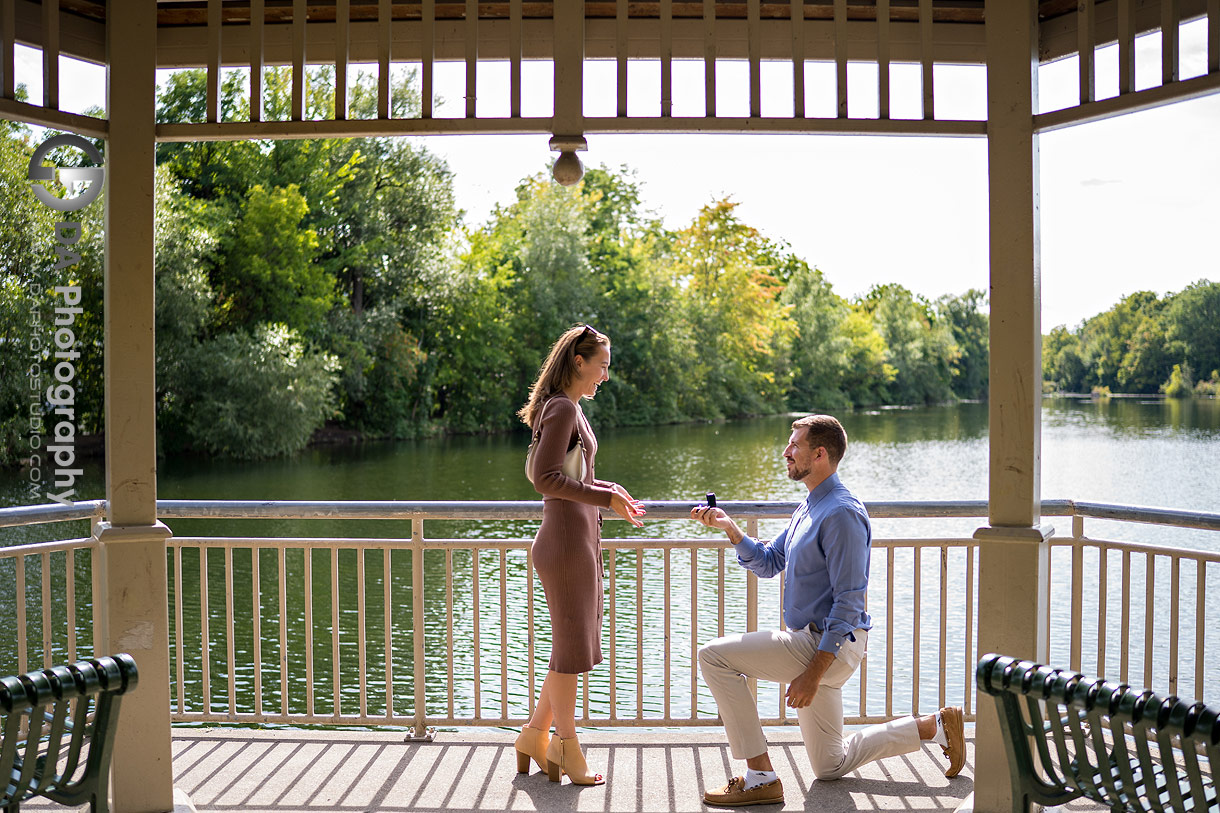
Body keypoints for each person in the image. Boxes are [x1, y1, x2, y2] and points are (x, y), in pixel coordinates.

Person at [690, 414, 965, 806]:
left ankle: (760, 776)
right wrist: (731, 530)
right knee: (829, 766)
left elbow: (850, 600)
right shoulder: (810, 505)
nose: (786, 452)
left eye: (794, 445)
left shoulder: (841, 514)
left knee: (713, 657)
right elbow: (769, 561)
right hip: (813, 641)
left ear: (819, 454)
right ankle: (934, 726)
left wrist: (813, 673)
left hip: (825, 645)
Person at [513, 324, 646, 786]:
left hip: (579, 543)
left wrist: (610, 490)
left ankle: (533, 735)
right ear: (578, 361)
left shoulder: (571, 408)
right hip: (566, 545)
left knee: (571, 647)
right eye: (602, 366)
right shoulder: (563, 408)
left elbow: (574, 479)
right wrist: (604, 499)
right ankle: (566, 748)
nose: (605, 376)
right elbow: (546, 481)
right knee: (570, 652)